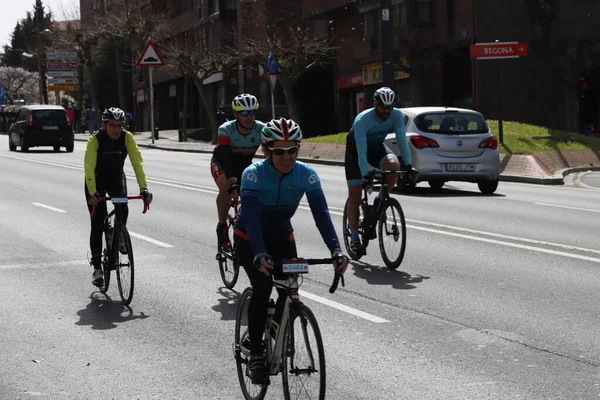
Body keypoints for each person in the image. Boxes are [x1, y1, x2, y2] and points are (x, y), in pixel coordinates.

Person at [234, 117, 349, 385]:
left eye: (292, 150)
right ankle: (255, 352)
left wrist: (336, 250)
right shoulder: (253, 174)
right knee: (262, 287)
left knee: (289, 288)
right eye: (279, 151)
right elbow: (250, 219)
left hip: (282, 236)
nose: (287, 157)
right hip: (249, 237)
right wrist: (260, 253)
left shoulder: (306, 175)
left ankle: (280, 323)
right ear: (266, 150)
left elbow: (322, 216)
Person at [84, 107, 153, 287]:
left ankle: (119, 233)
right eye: (112, 125)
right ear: (104, 125)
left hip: (115, 178)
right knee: (98, 223)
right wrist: (92, 192)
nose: (116, 129)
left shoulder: (127, 137)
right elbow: (89, 166)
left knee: (122, 207)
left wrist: (143, 188)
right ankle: (98, 269)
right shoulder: (95, 140)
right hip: (96, 182)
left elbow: (137, 163)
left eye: (119, 125)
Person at [344, 86, 417, 255]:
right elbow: (362, 153)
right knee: (355, 193)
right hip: (357, 150)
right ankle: (354, 238)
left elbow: (402, 142)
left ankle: (379, 200)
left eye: (390, 107)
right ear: (375, 104)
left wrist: (408, 165)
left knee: (393, 166)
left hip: (376, 147)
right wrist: (364, 176)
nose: (387, 111)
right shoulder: (362, 120)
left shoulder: (397, 116)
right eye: (383, 107)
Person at [211, 93, 265, 250]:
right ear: (236, 114)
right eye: (244, 113)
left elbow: (271, 153)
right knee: (225, 185)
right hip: (222, 163)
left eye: (252, 112)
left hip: (244, 165)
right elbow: (226, 158)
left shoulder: (261, 129)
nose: (249, 117)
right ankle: (222, 227)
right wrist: (232, 184)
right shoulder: (226, 130)